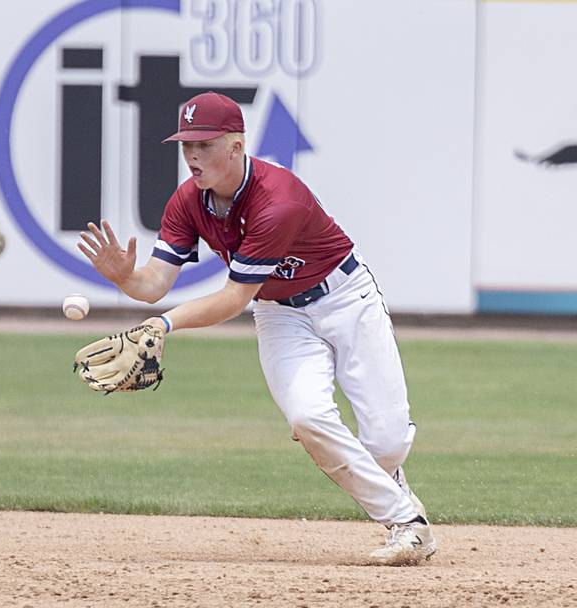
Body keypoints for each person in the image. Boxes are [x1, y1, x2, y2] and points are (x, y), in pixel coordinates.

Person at [77, 91, 436, 564]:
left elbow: (232, 298)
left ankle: (391, 482)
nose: (192, 156)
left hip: (347, 298)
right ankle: (407, 524)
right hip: (280, 313)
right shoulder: (188, 201)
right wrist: (125, 276)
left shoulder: (278, 199)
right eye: (186, 145)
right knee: (308, 418)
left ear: (236, 146)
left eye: (204, 145)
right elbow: (154, 283)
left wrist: (165, 324)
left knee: (386, 444)